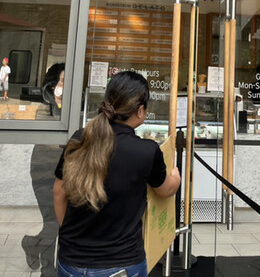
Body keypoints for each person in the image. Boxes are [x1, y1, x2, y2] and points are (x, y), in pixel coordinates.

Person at [53, 71, 180, 277]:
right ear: (140, 110)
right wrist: (176, 176)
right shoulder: (146, 151)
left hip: (71, 262)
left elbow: (59, 192)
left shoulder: (80, 138)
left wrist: (72, 240)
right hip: (122, 265)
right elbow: (165, 189)